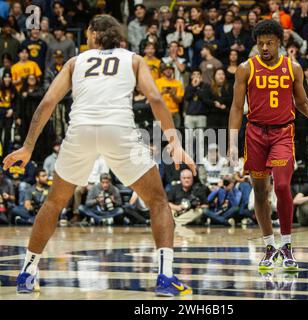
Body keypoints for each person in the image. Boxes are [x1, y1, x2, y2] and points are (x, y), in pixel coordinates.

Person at [4, 14, 196, 297]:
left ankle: (27, 273)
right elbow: (156, 99)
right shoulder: (133, 59)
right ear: (118, 36)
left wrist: (28, 146)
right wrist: (174, 142)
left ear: (93, 35)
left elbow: (47, 102)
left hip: (80, 130)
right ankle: (165, 277)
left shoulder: (75, 62)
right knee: (157, 201)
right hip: (118, 130)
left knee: (54, 203)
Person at [228, 20, 308, 271]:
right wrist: (231, 142)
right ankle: (270, 246)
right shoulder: (245, 69)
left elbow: (303, 104)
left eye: (269, 43)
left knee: (281, 185)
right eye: (260, 44)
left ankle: (287, 245)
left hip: (282, 134)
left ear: (280, 43)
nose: (265, 47)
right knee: (259, 191)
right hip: (255, 134)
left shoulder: (293, 68)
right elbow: (237, 108)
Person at [71, 155, 109, 224]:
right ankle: (76, 214)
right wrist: (85, 183)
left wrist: (94, 185)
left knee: (95, 192)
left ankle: (92, 216)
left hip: (97, 183)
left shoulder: (103, 159)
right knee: (77, 190)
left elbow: (104, 175)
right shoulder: (86, 157)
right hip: (85, 182)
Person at [155, 63, 184, 128]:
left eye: (170, 69)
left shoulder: (178, 83)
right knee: (159, 136)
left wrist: (173, 94)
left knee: (175, 135)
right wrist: (163, 92)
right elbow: (154, 98)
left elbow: (179, 100)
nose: (168, 71)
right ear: (163, 71)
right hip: (161, 112)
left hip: (174, 112)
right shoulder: (157, 82)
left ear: (173, 71)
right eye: (166, 69)